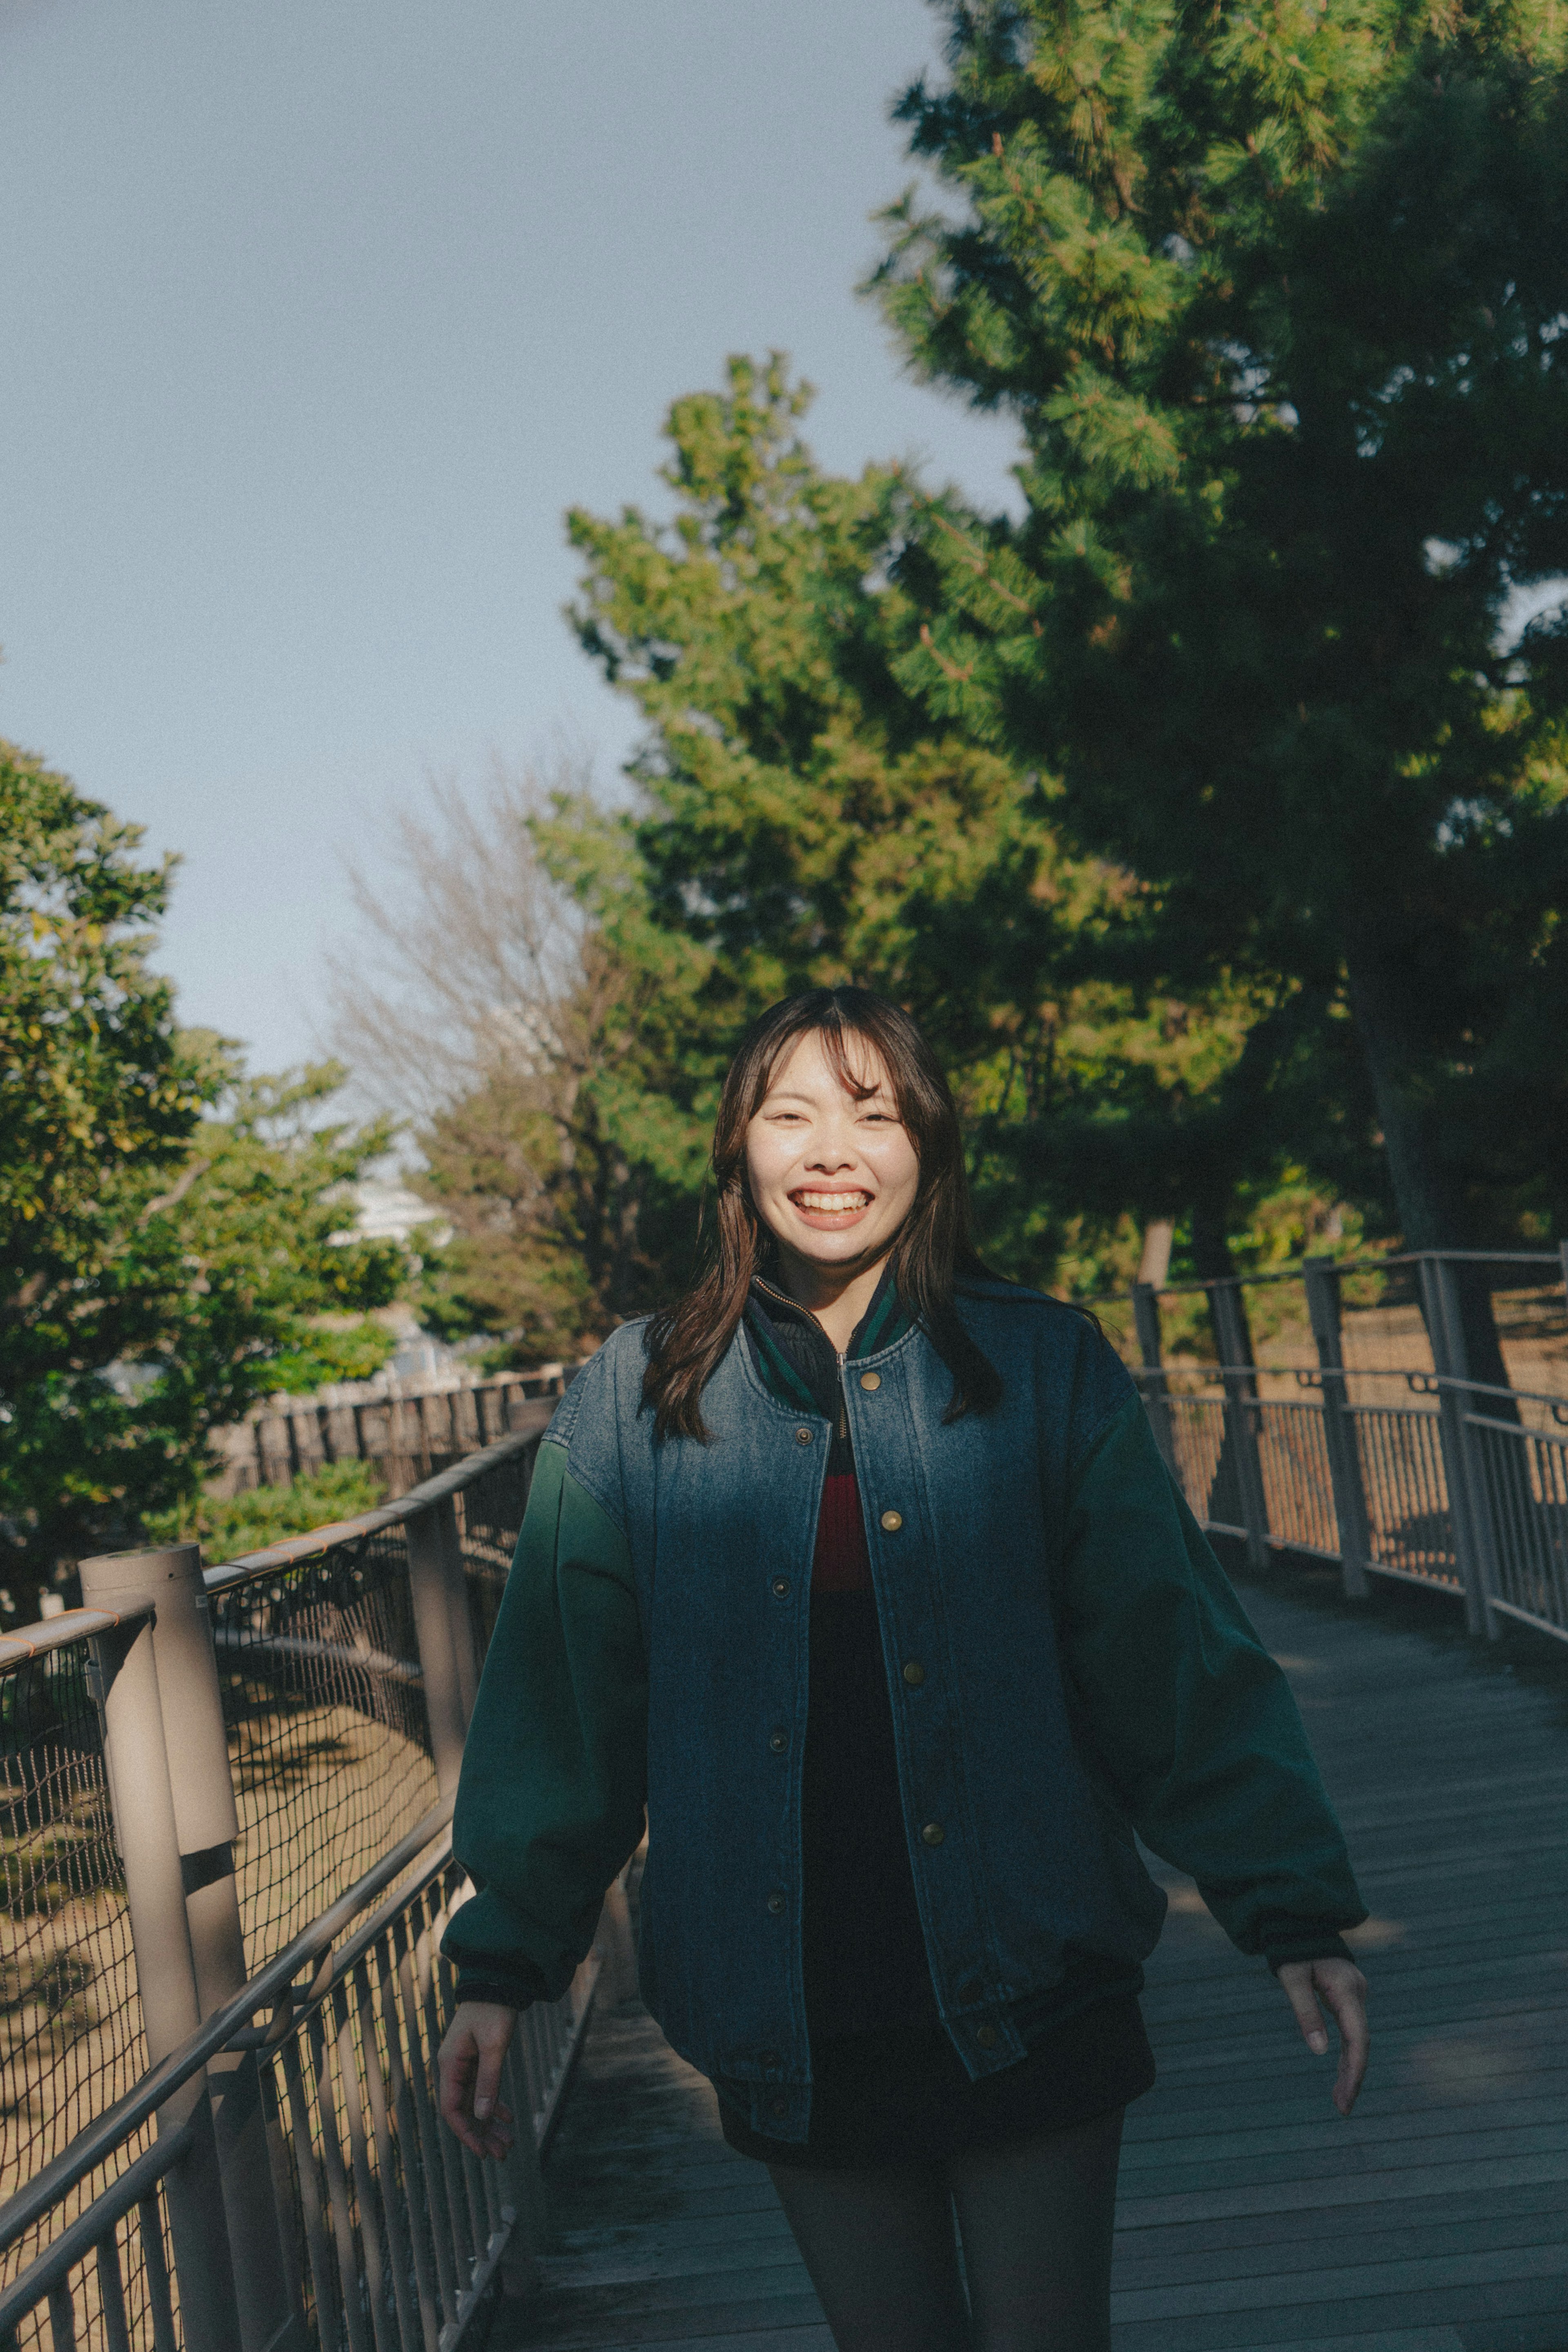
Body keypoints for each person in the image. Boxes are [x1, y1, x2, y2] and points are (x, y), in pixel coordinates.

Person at [436, 986, 1369, 2352]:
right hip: (785, 1998)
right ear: (737, 1150)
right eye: (790, 1113)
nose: (831, 1153)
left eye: (871, 1114)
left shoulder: (1045, 1368)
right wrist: (503, 1965)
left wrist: (1291, 1911)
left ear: (927, 1144)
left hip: (1031, 1963)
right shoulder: (632, 1403)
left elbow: (1169, 1659)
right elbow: (566, 1707)